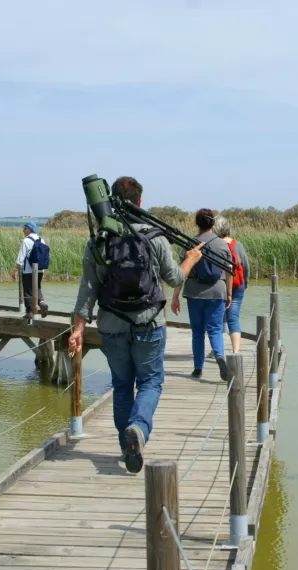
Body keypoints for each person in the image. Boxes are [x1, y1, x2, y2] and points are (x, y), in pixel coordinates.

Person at [68, 176, 203, 474]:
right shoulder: (155, 238)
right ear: (140, 202)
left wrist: (77, 329)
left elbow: (86, 292)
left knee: (121, 385)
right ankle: (138, 429)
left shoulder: (98, 241)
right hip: (150, 323)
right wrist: (191, 258)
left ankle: (125, 445)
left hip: (111, 325)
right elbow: (175, 279)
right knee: (151, 382)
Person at [171, 209, 233, 381]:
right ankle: (219, 355)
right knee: (215, 329)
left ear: (197, 224)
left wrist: (175, 296)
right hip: (217, 291)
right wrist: (228, 292)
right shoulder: (222, 245)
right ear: (213, 224)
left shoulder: (190, 243)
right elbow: (230, 270)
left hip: (194, 292)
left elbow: (182, 271)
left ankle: (198, 367)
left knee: (197, 332)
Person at [213, 216, 250, 354]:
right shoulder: (237, 245)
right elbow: (245, 266)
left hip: (219, 284)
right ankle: (235, 351)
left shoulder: (214, 244)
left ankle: (217, 350)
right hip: (237, 285)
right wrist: (245, 282)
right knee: (233, 317)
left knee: (217, 318)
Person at [12, 222, 49, 319]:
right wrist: (43, 271)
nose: (23, 230)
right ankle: (42, 303)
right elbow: (43, 257)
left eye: (24, 228)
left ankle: (29, 312)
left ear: (29, 229)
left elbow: (20, 259)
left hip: (28, 271)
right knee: (37, 288)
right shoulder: (42, 240)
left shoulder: (26, 241)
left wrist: (15, 270)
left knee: (27, 291)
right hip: (39, 270)